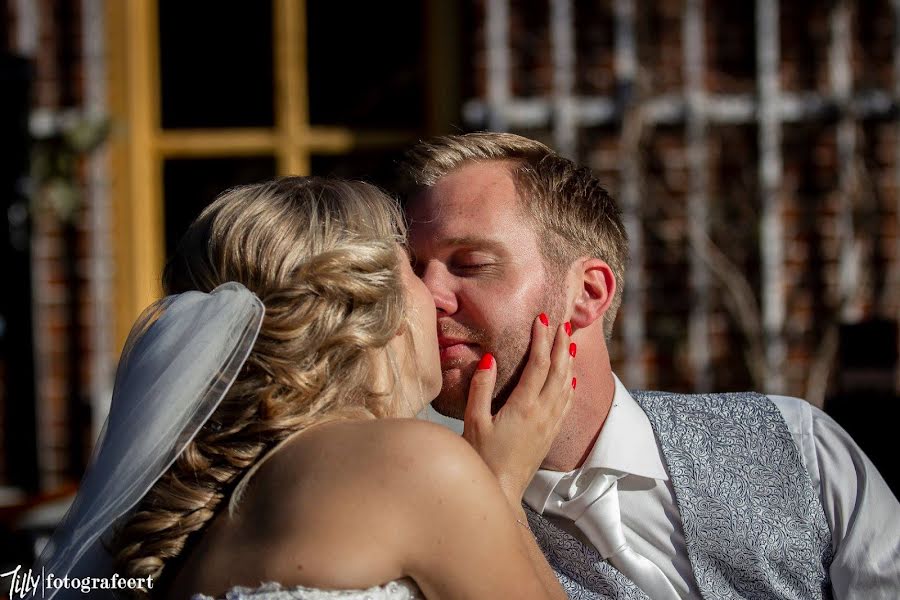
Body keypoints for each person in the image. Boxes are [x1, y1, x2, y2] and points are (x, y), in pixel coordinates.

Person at [399, 132, 900, 599]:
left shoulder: (796, 445)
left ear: (588, 294)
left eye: (471, 264)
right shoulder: (411, 541)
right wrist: (489, 503)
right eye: (417, 273)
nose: (428, 297)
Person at [34, 177, 576, 600]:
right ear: (361, 306)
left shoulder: (197, 515)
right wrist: (498, 487)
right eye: (410, 268)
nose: (436, 297)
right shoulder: (413, 463)